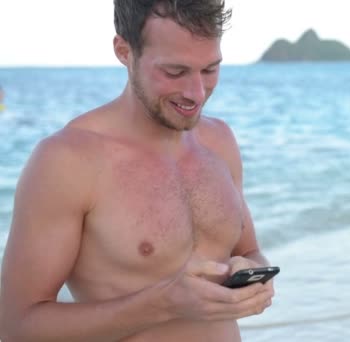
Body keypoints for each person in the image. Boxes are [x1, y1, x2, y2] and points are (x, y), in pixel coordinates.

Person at [0, 1, 275, 341]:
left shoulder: (219, 141)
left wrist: (253, 273)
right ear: (124, 51)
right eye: (175, 72)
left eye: (210, 70)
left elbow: (247, 251)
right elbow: (17, 325)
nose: (196, 93)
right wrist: (164, 304)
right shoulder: (69, 160)